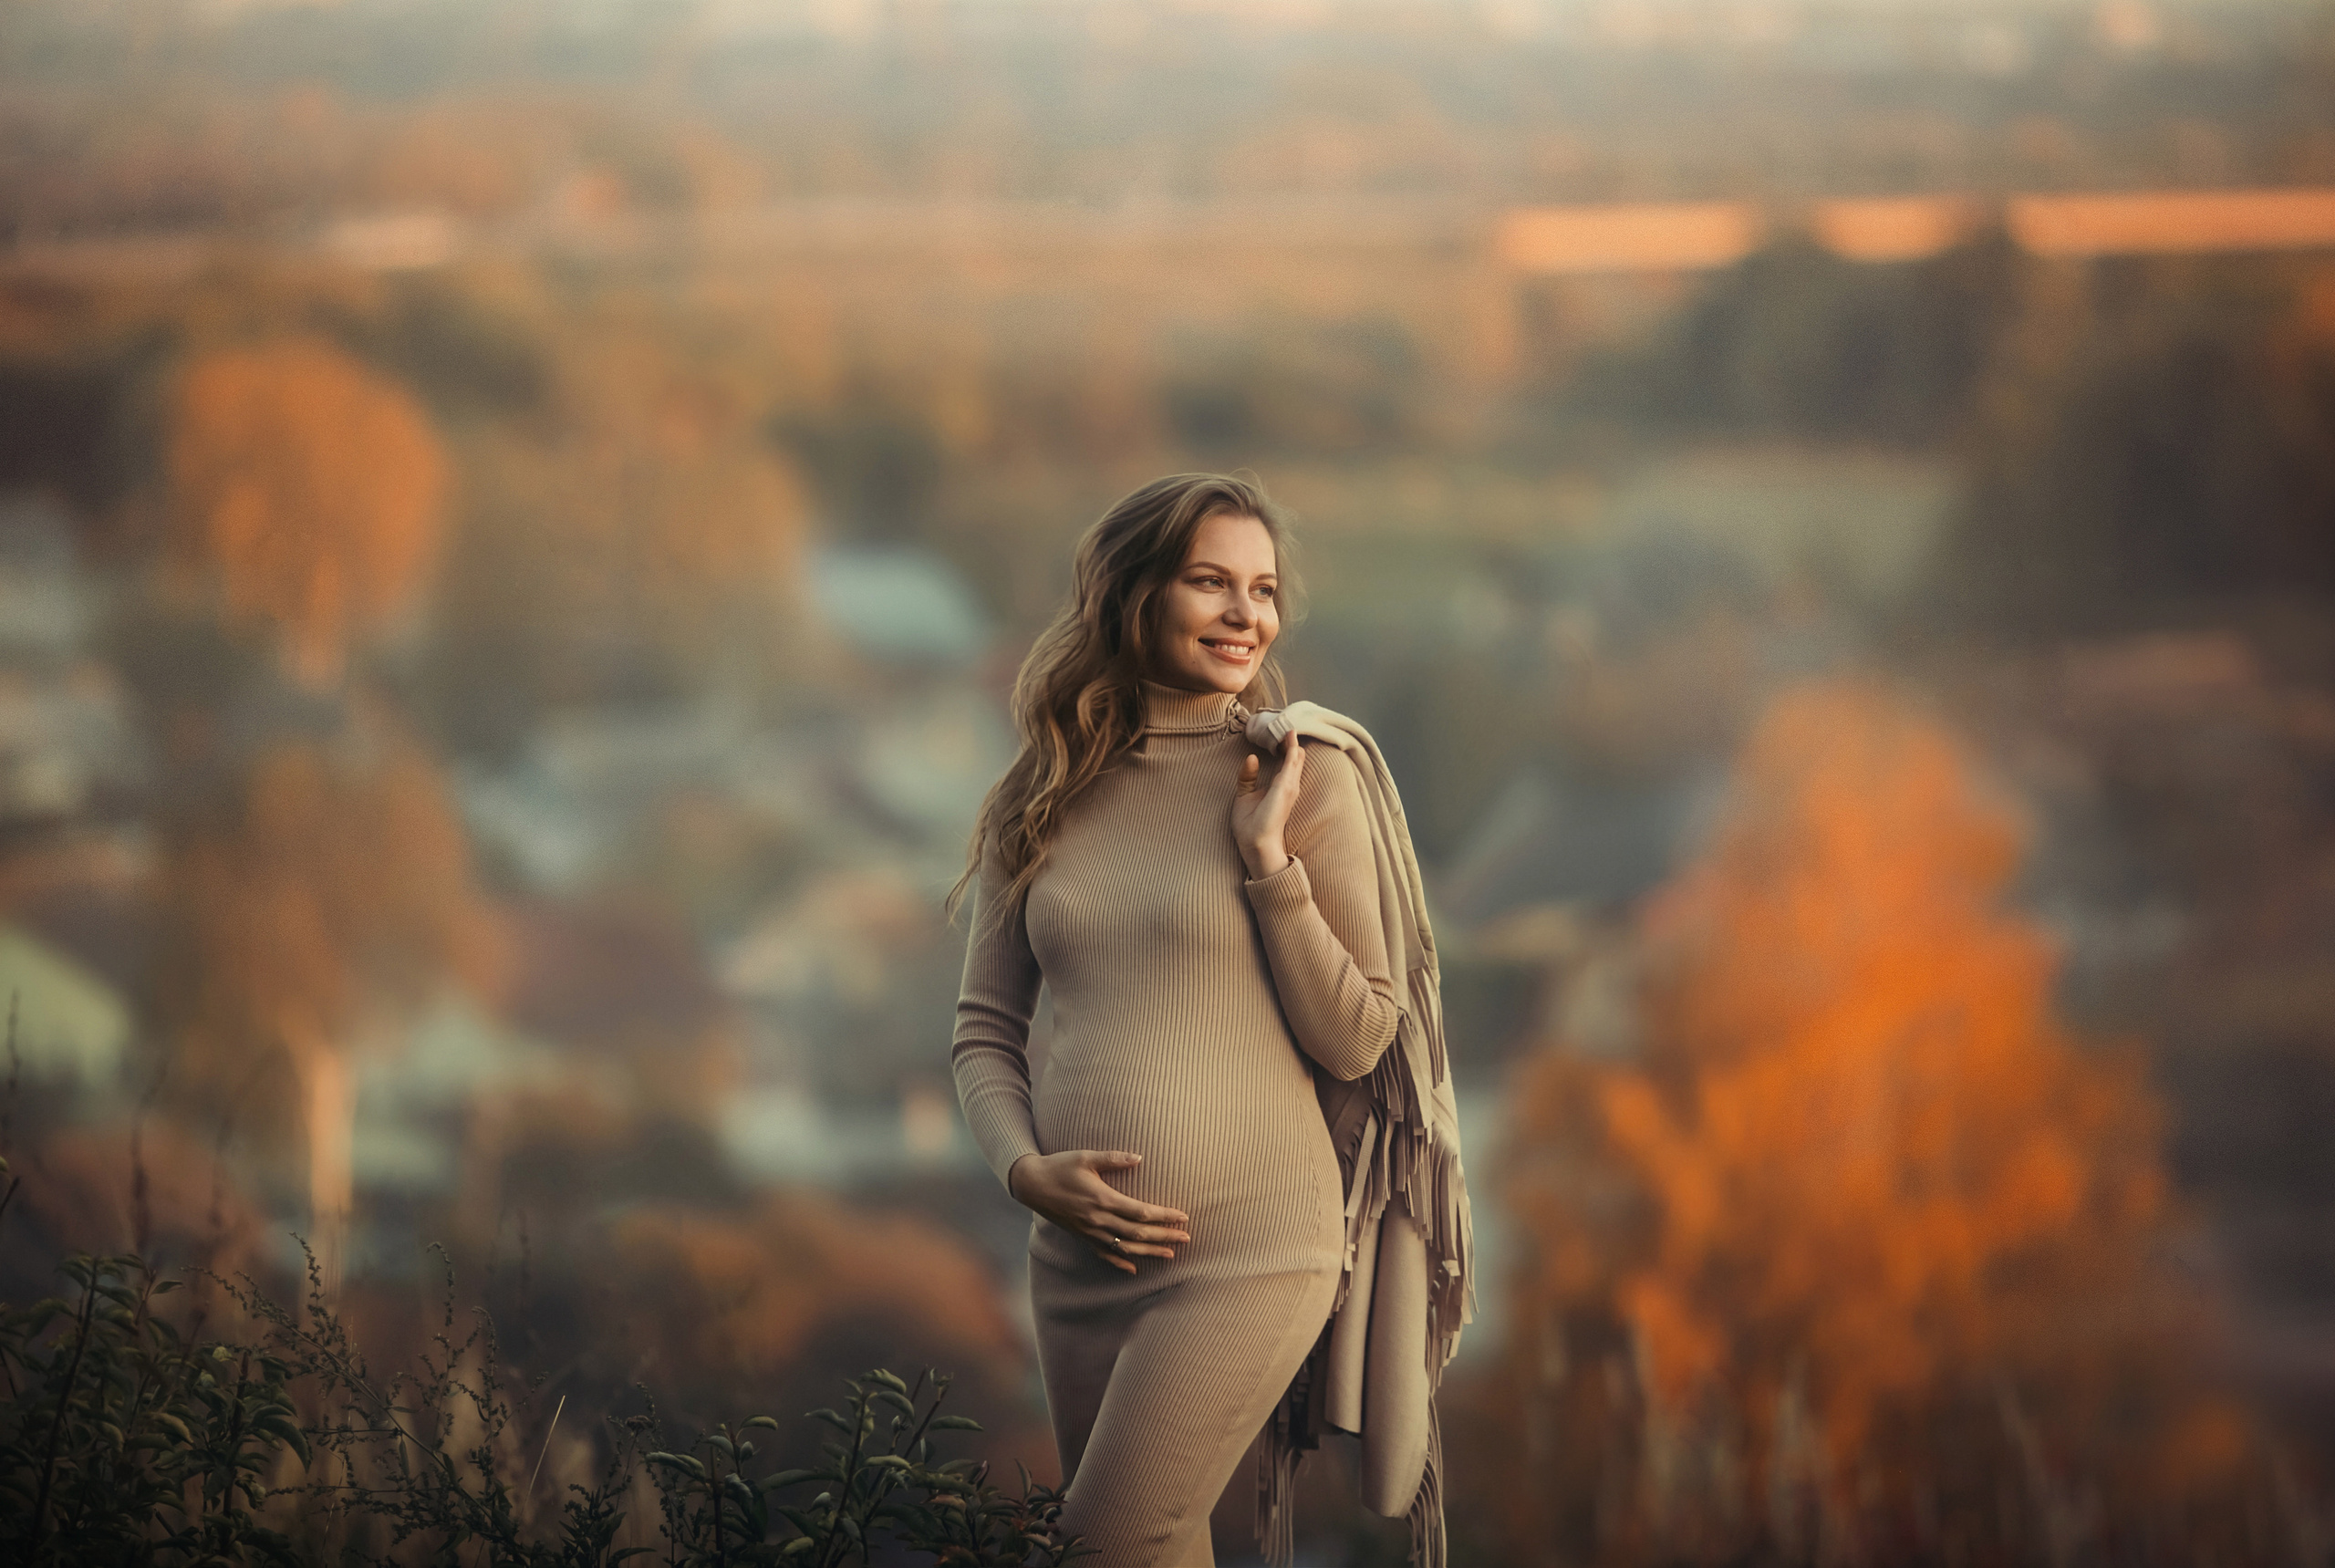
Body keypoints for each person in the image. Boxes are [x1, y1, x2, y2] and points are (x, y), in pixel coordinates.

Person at [950, 472, 1406, 1567]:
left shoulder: (1305, 776)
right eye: (1211, 582)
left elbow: (1359, 1035)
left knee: (1102, 1544)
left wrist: (1265, 861)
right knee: (1154, 1553)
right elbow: (983, 1031)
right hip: (1075, 1261)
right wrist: (1024, 1171)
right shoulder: (1042, 789)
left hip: (1249, 1249)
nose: (1247, 615)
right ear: (1134, 596)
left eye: (1262, 589)